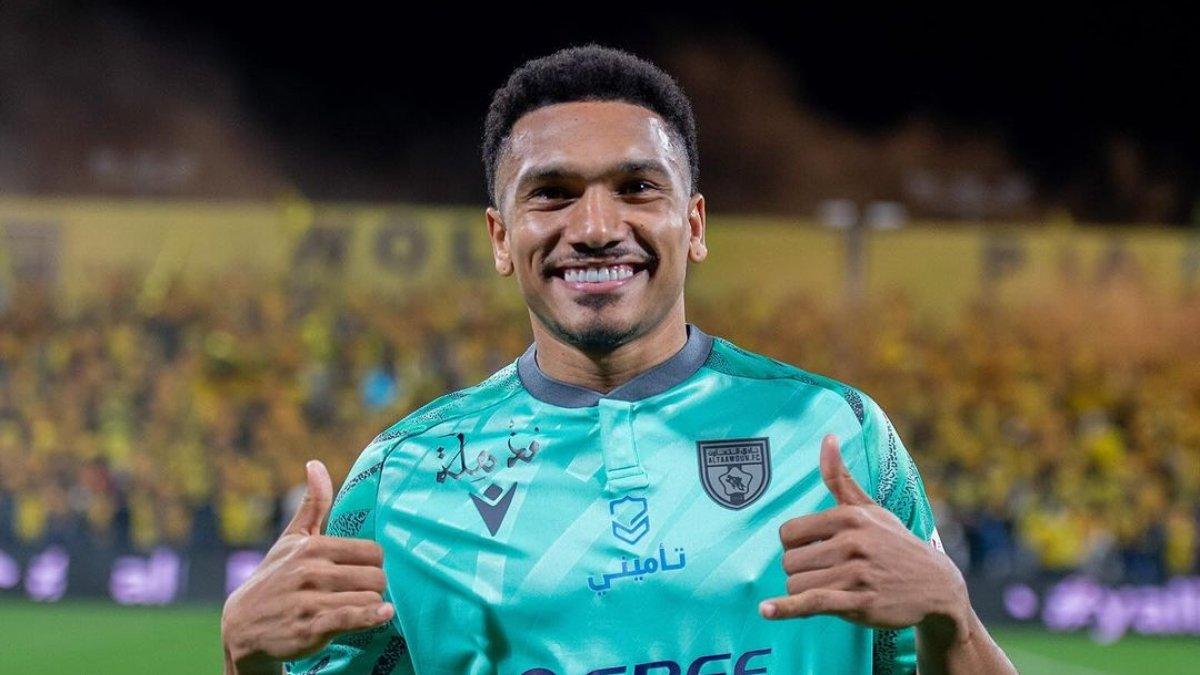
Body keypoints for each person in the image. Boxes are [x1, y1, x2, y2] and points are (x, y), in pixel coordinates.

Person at [220, 45, 1015, 675]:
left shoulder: (838, 434)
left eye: (637, 187)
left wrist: (952, 618)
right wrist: (247, 659)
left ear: (693, 225)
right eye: (552, 193)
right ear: (501, 237)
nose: (597, 227)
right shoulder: (403, 478)